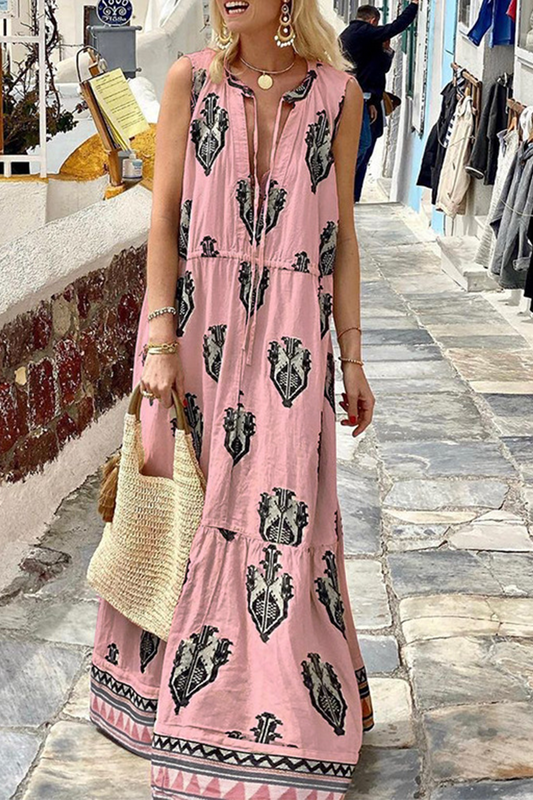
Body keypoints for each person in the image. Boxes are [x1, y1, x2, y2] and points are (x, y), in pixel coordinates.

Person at [88, 0, 376, 797]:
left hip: (291, 347)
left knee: (284, 515)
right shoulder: (191, 81)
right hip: (194, 337)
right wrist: (158, 339)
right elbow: (162, 222)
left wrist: (353, 360)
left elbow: (343, 239)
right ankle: (157, 698)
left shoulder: (338, 95)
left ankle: (272, 712)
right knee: (185, 508)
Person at [340, 1, 419, 201]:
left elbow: (379, 68)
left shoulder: (358, 35)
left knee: (366, 145)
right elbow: (396, 27)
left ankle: (351, 193)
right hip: (360, 99)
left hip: (369, 100)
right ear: (373, 21)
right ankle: (344, 183)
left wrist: (386, 50)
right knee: (363, 143)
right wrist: (414, 5)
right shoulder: (362, 32)